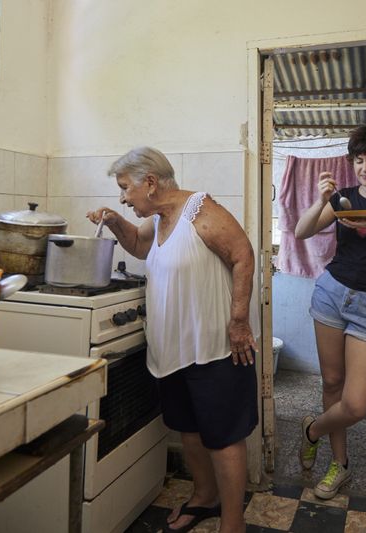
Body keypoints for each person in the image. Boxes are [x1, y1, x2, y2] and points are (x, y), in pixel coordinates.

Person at [87, 146, 258, 533]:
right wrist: (114, 220)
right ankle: (204, 497)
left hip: (214, 345)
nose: (123, 197)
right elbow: (138, 245)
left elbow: (243, 255)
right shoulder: (160, 218)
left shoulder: (200, 210)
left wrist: (239, 322)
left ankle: (233, 522)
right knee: (190, 428)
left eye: (125, 189)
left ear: (150, 182)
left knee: (223, 435)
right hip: (173, 348)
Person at [293, 123, 366, 499]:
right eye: (359, 159)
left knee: (358, 404)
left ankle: (313, 428)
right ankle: (339, 465)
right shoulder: (342, 197)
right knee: (331, 383)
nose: (365, 167)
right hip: (331, 294)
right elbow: (300, 232)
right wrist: (320, 199)